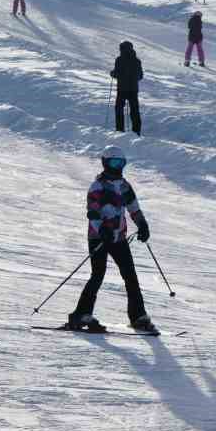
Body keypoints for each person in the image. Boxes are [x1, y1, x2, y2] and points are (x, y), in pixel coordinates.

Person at [68, 145, 155, 334]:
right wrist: (102, 231)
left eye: (121, 163)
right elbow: (92, 213)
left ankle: (138, 317)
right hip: (99, 237)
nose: (117, 166)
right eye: (114, 162)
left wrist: (142, 224)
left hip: (119, 238)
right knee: (97, 275)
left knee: (130, 276)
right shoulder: (97, 186)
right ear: (106, 163)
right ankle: (81, 314)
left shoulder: (124, 185)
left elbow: (133, 207)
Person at [110, 41, 144, 135]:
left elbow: (116, 73)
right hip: (133, 89)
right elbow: (140, 76)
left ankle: (120, 130)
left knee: (119, 109)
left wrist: (112, 74)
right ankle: (136, 131)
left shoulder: (119, 60)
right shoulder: (137, 60)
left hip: (122, 89)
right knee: (134, 111)